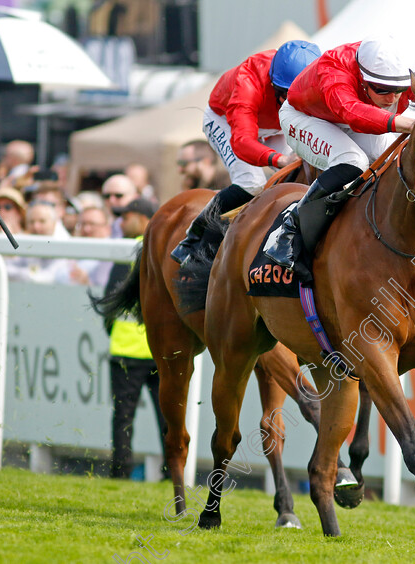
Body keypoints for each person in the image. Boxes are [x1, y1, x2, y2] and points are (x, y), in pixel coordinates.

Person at [264, 35, 415, 269]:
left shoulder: (404, 70)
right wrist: (406, 123)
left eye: (399, 89)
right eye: (383, 89)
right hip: (304, 116)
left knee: (394, 157)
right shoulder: (334, 68)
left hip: (345, 116)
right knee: (353, 161)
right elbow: (352, 112)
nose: (392, 98)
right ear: (363, 78)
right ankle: (287, 230)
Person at [170, 40, 322, 265]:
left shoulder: (324, 75)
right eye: (284, 94)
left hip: (277, 125)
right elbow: (243, 141)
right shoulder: (248, 80)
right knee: (251, 183)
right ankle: (195, 238)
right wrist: (278, 159)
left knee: (301, 175)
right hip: (225, 119)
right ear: (273, 83)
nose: (289, 102)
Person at [102, 197, 168, 479]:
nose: (120, 222)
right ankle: (171, 472)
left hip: (126, 351)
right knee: (167, 419)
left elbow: (110, 302)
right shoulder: (164, 247)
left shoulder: (128, 251)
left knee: (123, 419)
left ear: (143, 219)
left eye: (125, 216)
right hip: (159, 353)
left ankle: (120, 473)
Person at [101, 173, 139, 238]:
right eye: (107, 196)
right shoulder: (97, 222)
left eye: (118, 195)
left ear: (135, 197)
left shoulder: (142, 225)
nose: (111, 200)